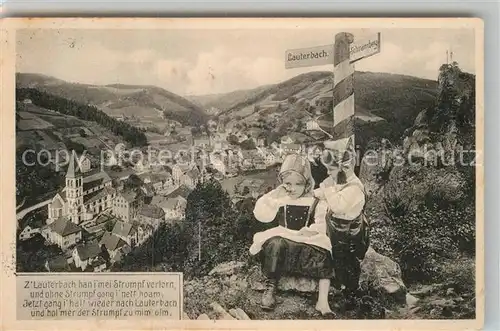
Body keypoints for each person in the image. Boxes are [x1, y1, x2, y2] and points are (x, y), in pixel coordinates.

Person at [249, 154, 335, 316]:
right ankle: (270, 288)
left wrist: (312, 229)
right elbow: (261, 215)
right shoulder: (281, 199)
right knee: (275, 244)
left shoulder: (315, 201)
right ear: (282, 183)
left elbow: (321, 222)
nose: (293, 188)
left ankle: (322, 301)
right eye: (288, 183)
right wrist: (275, 194)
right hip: (285, 237)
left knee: (324, 251)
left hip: (305, 239)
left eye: (298, 184)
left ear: (307, 183)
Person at [313, 137, 370, 307]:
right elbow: (325, 188)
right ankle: (341, 289)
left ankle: (352, 295)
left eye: (331, 169)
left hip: (351, 232)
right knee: (337, 258)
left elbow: (337, 206)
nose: (328, 173)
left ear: (343, 168)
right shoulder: (340, 182)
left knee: (349, 261)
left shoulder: (354, 188)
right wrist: (318, 191)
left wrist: (326, 191)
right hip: (338, 230)